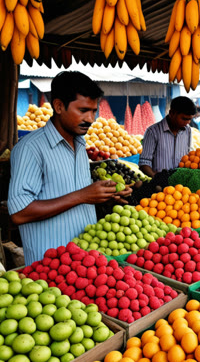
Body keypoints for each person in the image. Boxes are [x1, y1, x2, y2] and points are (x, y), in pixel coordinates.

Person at [8, 72, 131, 265]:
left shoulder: (80, 145)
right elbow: (19, 213)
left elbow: (76, 194)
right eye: (83, 110)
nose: (90, 118)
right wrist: (83, 195)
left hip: (85, 262)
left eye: (93, 111)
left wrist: (104, 194)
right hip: (50, 267)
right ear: (58, 106)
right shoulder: (30, 148)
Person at [139, 96, 196, 177]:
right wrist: (155, 177)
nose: (188, 122)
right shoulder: (153, 132)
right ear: (172, 113)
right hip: (159, 185)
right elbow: (144, 162)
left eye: (190, 119)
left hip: (180, 184)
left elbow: (188, 156)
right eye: (184, 119)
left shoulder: (188, 131)